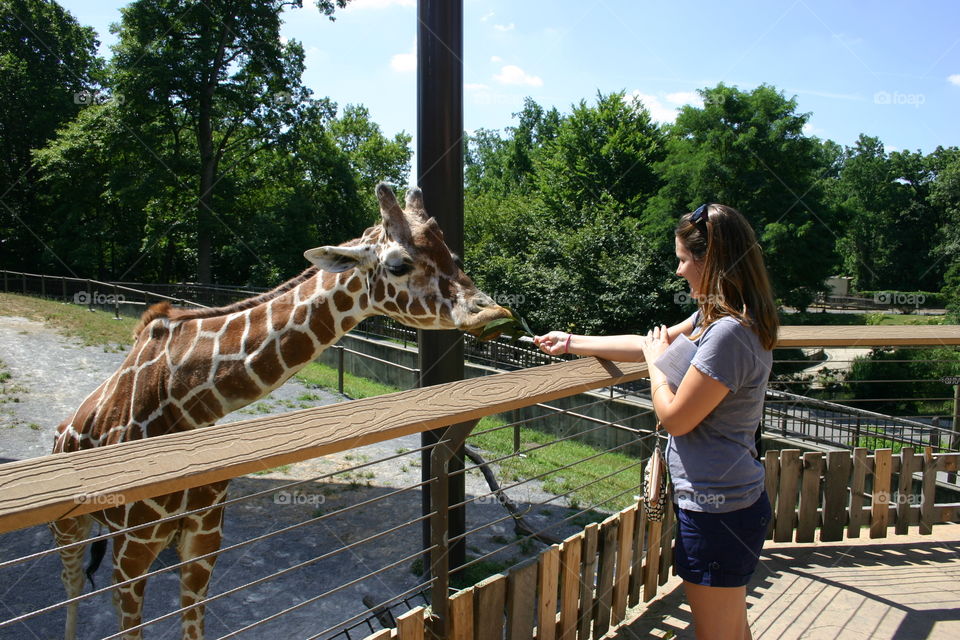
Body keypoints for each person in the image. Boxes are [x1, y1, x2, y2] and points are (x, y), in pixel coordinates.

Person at [534, 203, 778, 640]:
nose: (679, 269)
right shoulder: (716, 317)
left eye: (684, 259)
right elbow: (652, 342)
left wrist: (655, 368)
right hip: (729, 504)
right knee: (732, 628)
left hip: (717, 513)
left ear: (712, 261)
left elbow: (676, 417)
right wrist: (571, 342)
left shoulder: (726, 333)